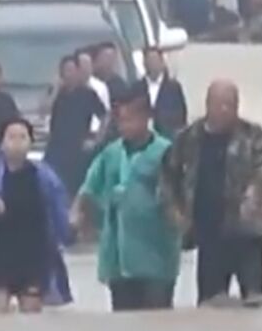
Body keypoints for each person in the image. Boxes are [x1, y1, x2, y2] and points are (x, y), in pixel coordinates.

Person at [161, 80, 262, 306]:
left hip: (247, 234)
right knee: (210, 305)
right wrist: (175, 210)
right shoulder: (188, 138)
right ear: (207, 105)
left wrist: (254, 194)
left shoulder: (253, 135)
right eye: (219, 104)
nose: (224, 110)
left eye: (230, 105)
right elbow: (167, 174)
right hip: (209, 235)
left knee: (255, 302)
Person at [71, 91, 181, 312]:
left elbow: (180, 197)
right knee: (123, 326)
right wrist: (77, 213)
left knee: (157, 322)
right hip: (118, 260)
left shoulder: (166, 153)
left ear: (145, 118)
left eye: (129, 119)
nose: (123, 126)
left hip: (156, 259)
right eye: (120, 120)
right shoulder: (111, 154)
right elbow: (89, 186)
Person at [0, 118, 75, 314]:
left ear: (31, 142)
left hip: (34, 256)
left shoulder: (43, 175)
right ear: (1, 143)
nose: (17, 142)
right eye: (11, 137)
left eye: (23, 137)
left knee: (31, 315)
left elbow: (58, 208)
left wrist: (69, 232)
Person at [45, 54, 107, 197]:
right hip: (56, 146)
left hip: (78, 147)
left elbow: (104, 116)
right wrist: (55, 90)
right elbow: (43, 110)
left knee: (77, 187)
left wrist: (97, 139)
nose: (69, 74)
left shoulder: (88, 93)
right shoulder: (56, 93)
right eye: (66, 70)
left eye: (72, 70)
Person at [131, 47, 188, 138]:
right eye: (149, 61)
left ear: (162, 62)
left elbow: (181, 116)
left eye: (155, 60)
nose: (152, 64)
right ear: (144, 63)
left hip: (167, 137)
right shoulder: (136, 88)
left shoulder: (173, 87)